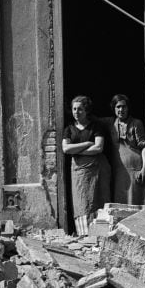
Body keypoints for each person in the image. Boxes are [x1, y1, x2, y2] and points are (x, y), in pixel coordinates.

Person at [62, 95, 111, 235]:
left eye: (80, 109)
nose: (76, 112)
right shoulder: (69, 129)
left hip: (97, 170)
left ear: (87, 110)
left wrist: (76, 150)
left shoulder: (96, 126)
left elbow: (98, 148)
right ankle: (85, 236)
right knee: (82, 203)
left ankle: (100, 235)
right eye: (74, 109)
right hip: (78, 172)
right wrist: (87, 144)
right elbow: (66, 149)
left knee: (99, 200)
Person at [104, 94, 145, 205]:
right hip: (119, 172)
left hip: (135, 169)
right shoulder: (111, 123)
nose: (121, 109)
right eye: (118, 107)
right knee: (121, 203)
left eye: (124, 106)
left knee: (136, 202)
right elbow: (91, 120)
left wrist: (144, 169)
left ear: (128, 108)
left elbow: (143, 147)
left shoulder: (136, 123)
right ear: (113, 109)